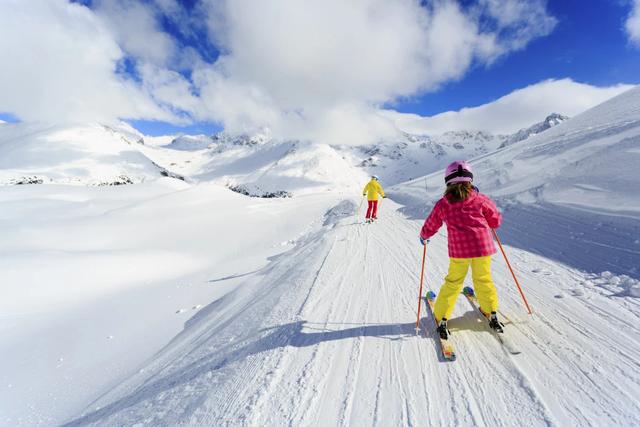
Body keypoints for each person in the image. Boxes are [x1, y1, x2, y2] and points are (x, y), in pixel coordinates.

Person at [419, 161, 502, 339]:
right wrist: (491, 222)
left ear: (448, 181)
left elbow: (432, 223)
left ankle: (442, 317)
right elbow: (495, 219)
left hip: (460, 251)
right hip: (483, 248)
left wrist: (425, 235)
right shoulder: (481, 199)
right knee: (483, 279)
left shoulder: (444, 203)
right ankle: (491, 311)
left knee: (454, 282)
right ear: (470, 180)